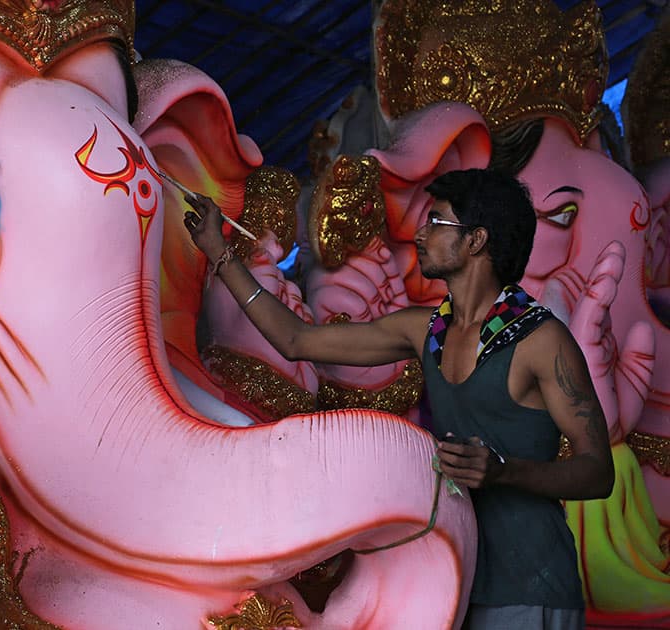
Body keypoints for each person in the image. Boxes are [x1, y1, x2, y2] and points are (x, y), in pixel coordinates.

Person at [184, 168, 614, 629]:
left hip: (530, 585)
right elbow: (295, 340)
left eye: (437, 222)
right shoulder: (427, 329)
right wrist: (219, 253)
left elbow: (598, 472)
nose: (421, 234)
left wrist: (504, 471)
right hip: (450, 577)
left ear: (476, 241)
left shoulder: (542, 340)